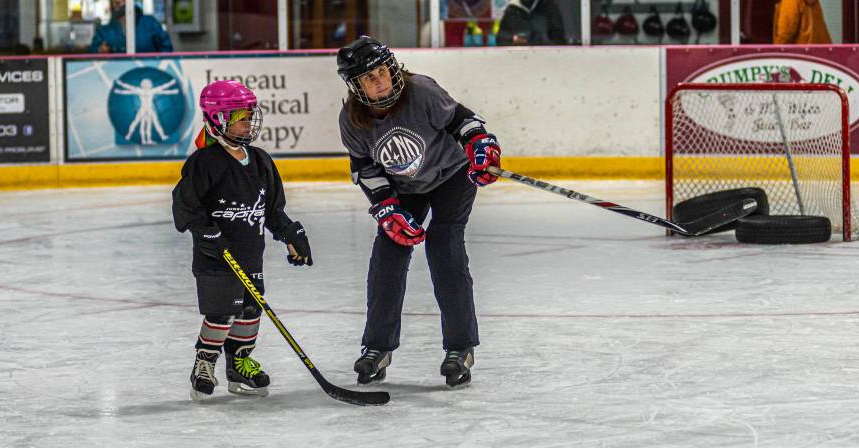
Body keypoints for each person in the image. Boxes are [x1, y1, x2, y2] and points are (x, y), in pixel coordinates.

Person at [336, 36, 502, 388]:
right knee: (387, 255)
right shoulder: (352, 121)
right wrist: (386, 208)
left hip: (451, 177)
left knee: (444, 247)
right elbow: (366, 170)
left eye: (383, 71)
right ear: (356, 86)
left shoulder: (421, 91)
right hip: (403, 188)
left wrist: (479, 144)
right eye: (370, 77)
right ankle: (377, 348)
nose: (381, 80)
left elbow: (463, 120)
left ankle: (460, 348)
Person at [173, 80, 313, 401]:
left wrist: (290, 233)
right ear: (218, 119)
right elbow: (185, 206)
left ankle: (239, 363)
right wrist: (206, 232)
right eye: (240, 117)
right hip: (216, 258)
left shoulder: (261, 160)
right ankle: (204, 363)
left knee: (251, 308)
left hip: (249, 253)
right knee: (222, 312)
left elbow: (273, 209)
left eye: (249, 116)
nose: (247, 123)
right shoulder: (204, 162)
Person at [90, 0, 173, 53]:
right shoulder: (104, 30)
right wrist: (100, 50)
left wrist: (156, 64)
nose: (116, 6)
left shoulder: (150, 23)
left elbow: (166, 49)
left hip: (148, 74)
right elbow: (92, 51)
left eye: (118, 3)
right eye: (113, 3)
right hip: (114, 74)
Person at [495, 0, 567, 46]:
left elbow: (560, 40)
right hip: (517, 61)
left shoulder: (549, 7)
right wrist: (512, 40)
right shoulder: (512, 9)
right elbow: (500, 39)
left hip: (544, 59)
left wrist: (539, 41)